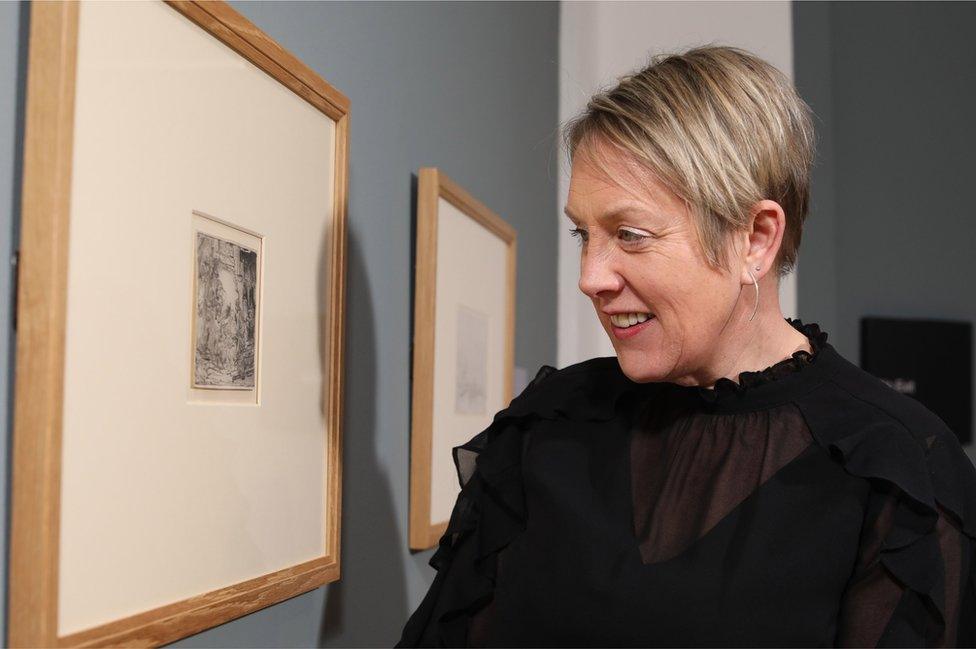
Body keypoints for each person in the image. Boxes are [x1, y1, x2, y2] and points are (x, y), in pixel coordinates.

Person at [397, 45, 976, 647]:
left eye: (631, 234)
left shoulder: (897, 471)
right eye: (583, 233)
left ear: (755, 238)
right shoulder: (546, 426)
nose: (590, 277)